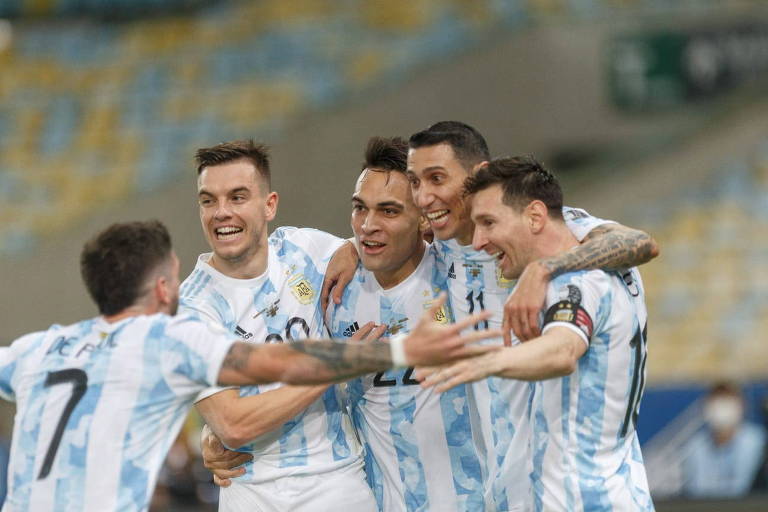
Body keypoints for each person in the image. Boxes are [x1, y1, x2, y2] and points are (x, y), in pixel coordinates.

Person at [0, 220, 496, 512]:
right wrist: (400, 351)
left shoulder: (37, 350)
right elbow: (275, 361)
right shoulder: (174, 342)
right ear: (162, 289)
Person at [324, 121, 659, 511]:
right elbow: (389, 232)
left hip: (581, 493)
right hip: (506, 492)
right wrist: (351, 246)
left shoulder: (542, 239)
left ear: (478, 176)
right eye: (416, 182)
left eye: (436, 179)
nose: (424, 197)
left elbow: (638, 242)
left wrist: (544, 270)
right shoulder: (448, 244)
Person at [420, 156, 654, 511]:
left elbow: (561, 350)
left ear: (535, 216)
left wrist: (484, 360)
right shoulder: (608, 264)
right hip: (616, 487)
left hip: (582, 500)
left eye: (488, 223)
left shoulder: (576, 282)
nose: (479, 241)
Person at [326, 136, 484, 511]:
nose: (367, 225)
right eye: (359, 209)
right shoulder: (334, 294)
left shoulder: (461, 277)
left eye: (389, 211)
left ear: (424, 219)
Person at [682, 381, 767, 498]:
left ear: (742, 405)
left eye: (727, 402)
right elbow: (696, 493)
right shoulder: (695, 447)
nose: (722, 409)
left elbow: (747, 489)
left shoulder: (758, 442)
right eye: (717, 402)